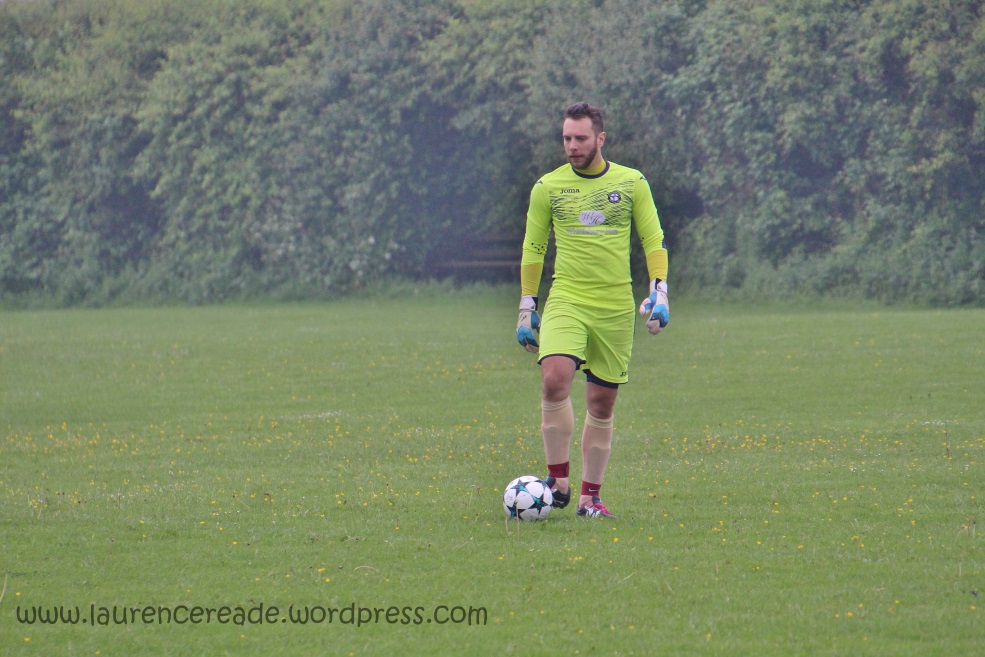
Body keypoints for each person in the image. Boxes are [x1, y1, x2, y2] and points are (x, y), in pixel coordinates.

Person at [515, 102, 669, 519]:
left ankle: (590, 499)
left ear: (600, 138)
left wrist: (660, 291)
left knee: (601, 404)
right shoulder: (548, 187)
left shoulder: (632, 182)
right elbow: (534, 247)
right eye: (567, 138)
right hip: (567, 298)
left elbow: (653, 238)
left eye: (580, 138)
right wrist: (527, 305)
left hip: (615, 306)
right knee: (554, 379)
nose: (572, 146)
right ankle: (558, 482)